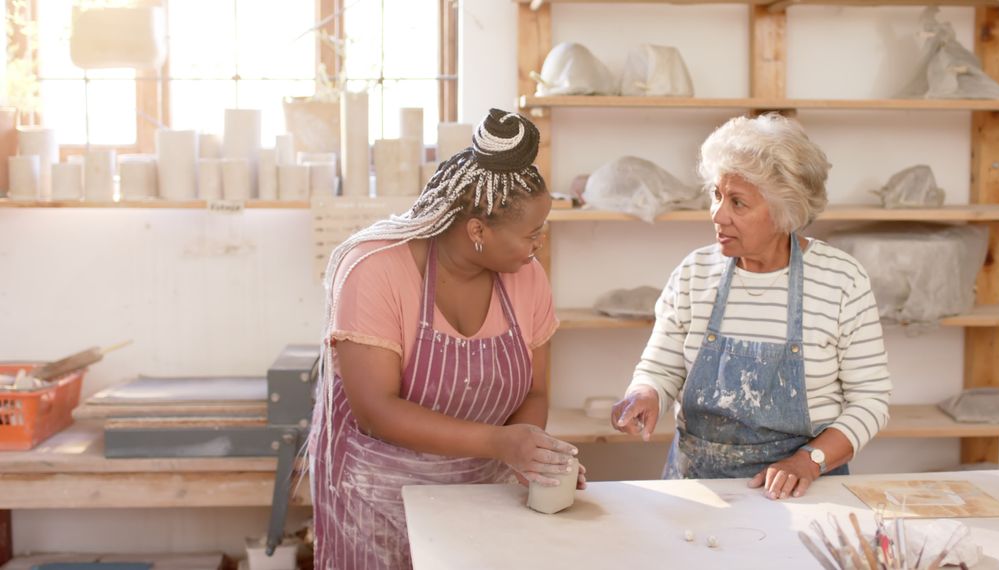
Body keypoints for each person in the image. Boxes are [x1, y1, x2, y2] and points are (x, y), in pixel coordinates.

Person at [309, 108, 585, 569]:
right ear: (477, 230)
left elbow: (534, 391)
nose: (539, 245)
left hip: (482, 491)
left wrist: (532, 456)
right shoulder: (375, 270)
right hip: (376, 496)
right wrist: (500, 443)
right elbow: (376, 411)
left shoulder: (527, 276)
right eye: (531, 234)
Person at [611, 113, 891, 500]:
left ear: (783, 211)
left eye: (738, 203)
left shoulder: (841, 280)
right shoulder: (694, 273)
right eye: (716, 195)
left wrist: (809, 460)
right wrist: (645, 395)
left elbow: (870, 400)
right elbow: (660, 368)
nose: (717, 214)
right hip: (699, 488)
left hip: (804, 489)